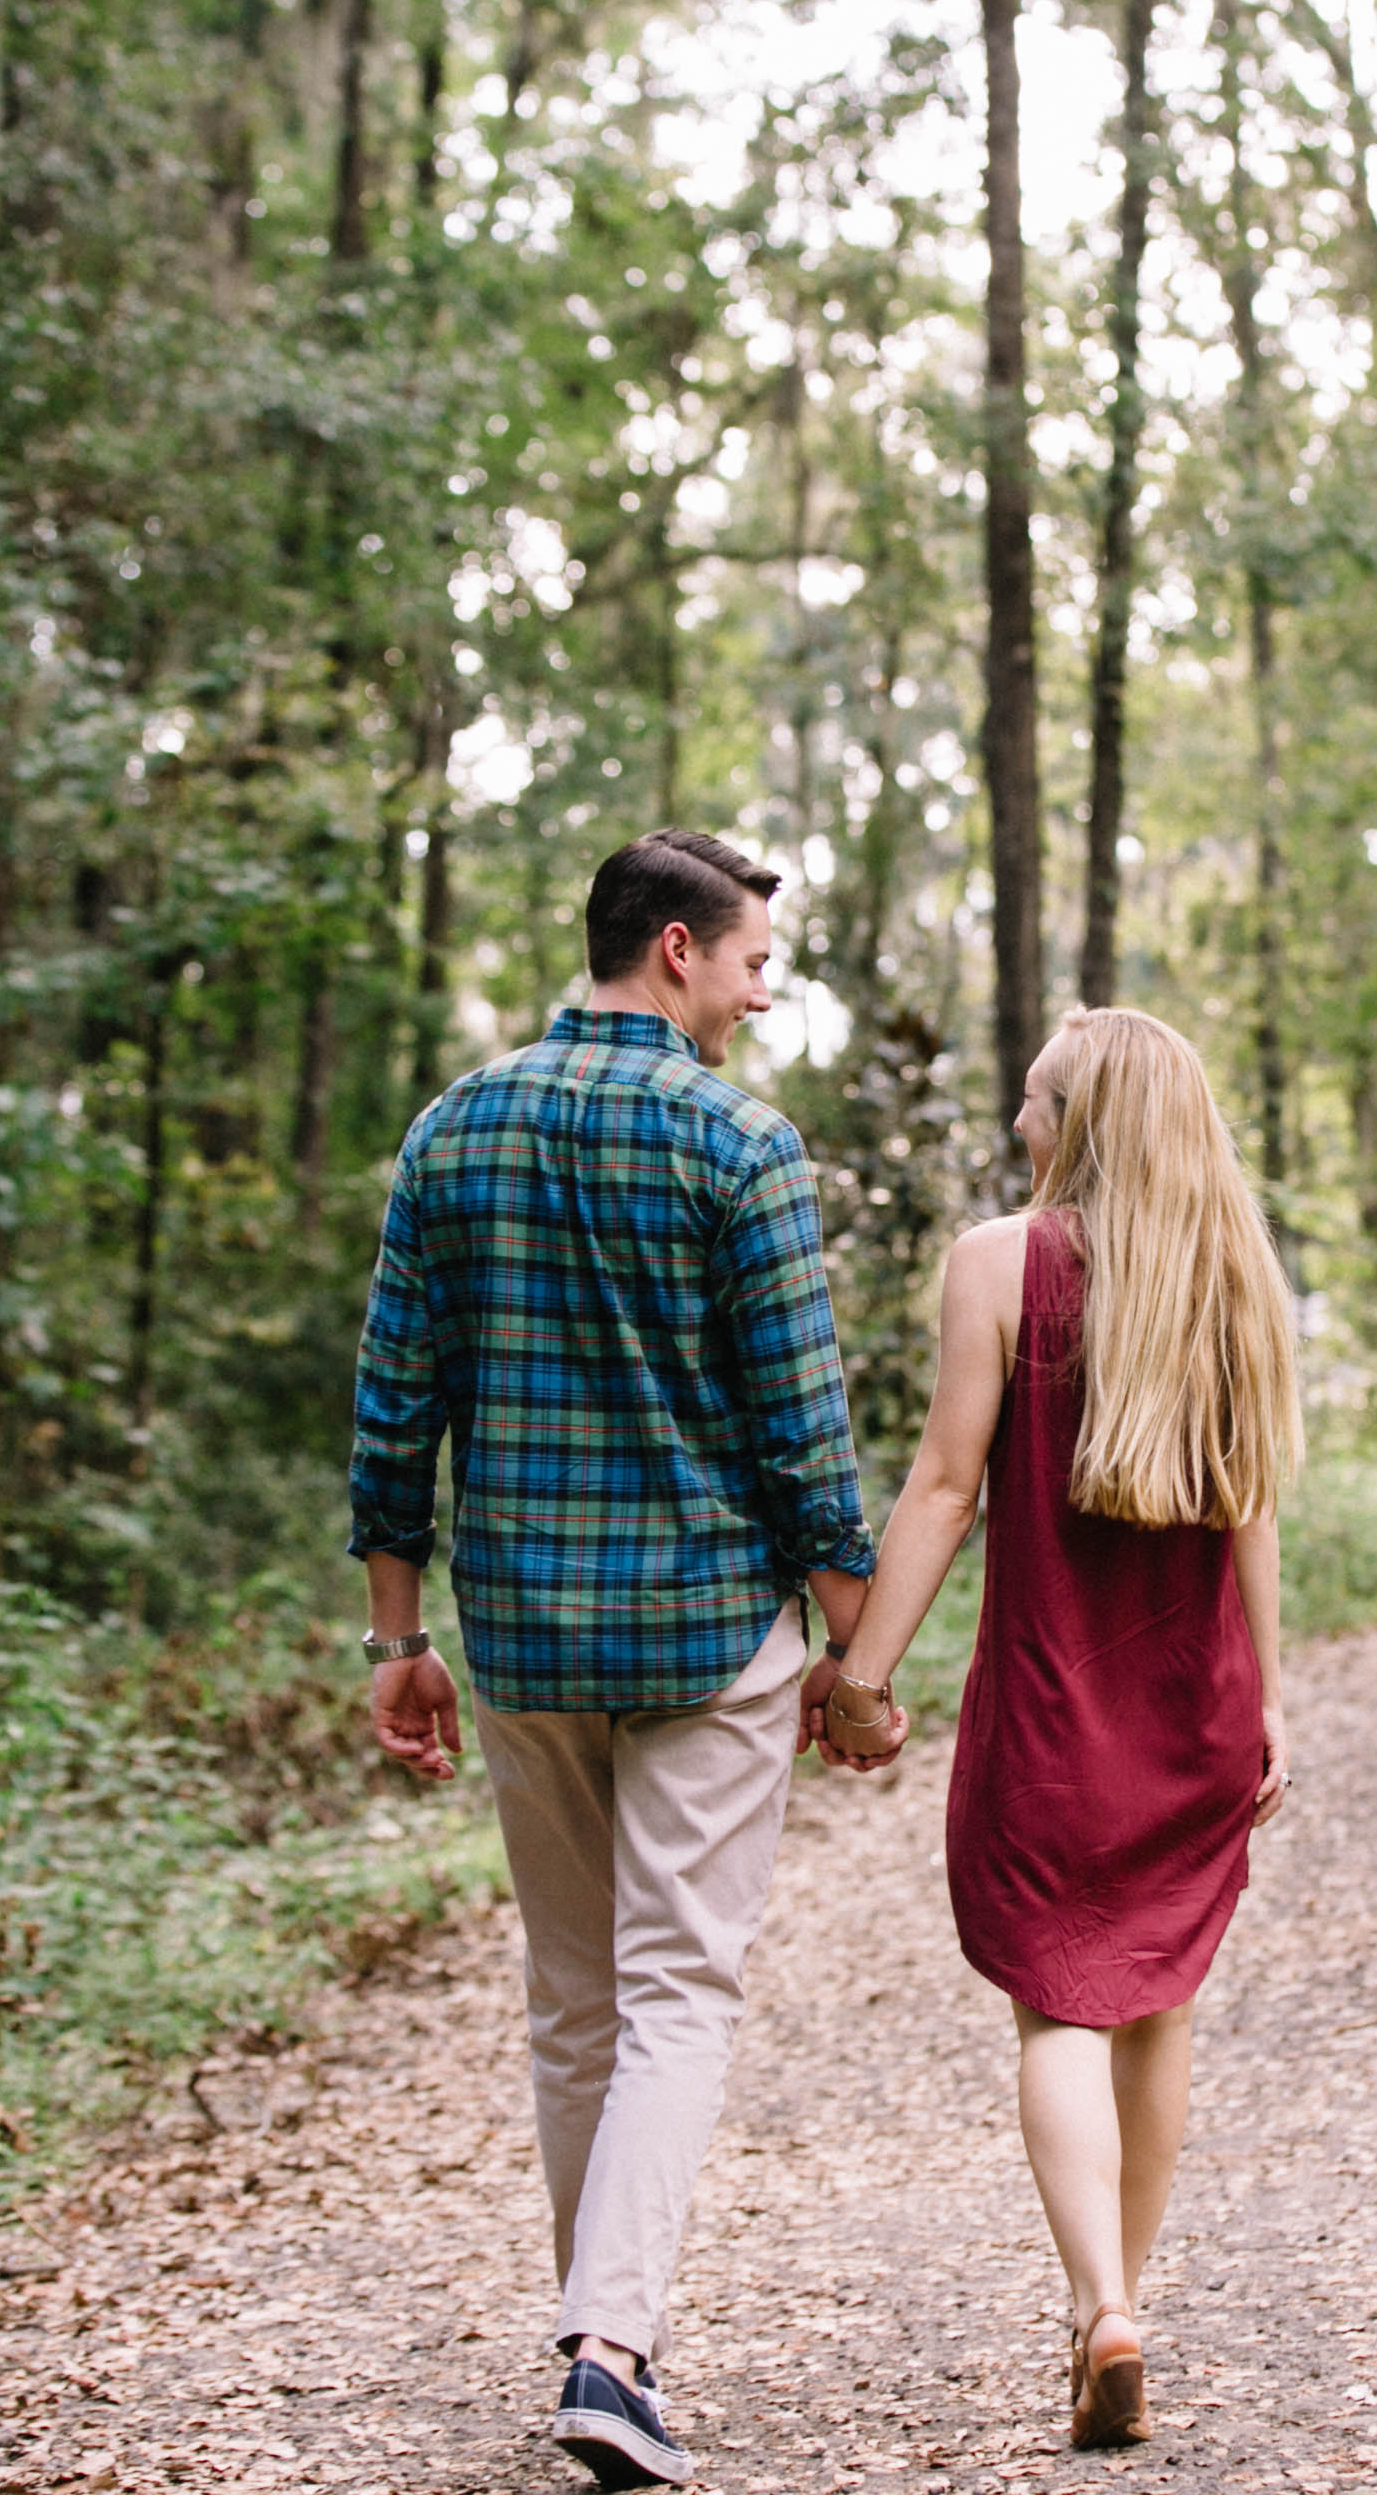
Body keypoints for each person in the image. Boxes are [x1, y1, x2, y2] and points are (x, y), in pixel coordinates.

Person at [350, 829, 877, 2491]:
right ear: (673, 949)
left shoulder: (452, 1130)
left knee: (576, 2002)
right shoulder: (743, 1144)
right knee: (676, 1995)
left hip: (517, 1636)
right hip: (710, 1633)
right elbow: (806, 1435)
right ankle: (614, 2351)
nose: (759, 990)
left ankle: (603, 2330)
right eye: (749, 961)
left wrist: (394, 1638)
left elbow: (394, 1412)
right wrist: (851, 1650)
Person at [812, 1005, 1299, 2451]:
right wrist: (1270, 1698)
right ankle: (1123, 2304)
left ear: (1079, 1121)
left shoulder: (998, 1266)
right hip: (1193, 1708)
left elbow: (946, 1486)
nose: (1018, 1125)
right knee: (1154, 2005)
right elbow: (1256, 1501)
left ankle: (1100, 2306)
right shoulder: (1234, 1277)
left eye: (1034, 1103)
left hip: (1047, 1714)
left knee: (1055, 2005)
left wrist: (862, 1674)